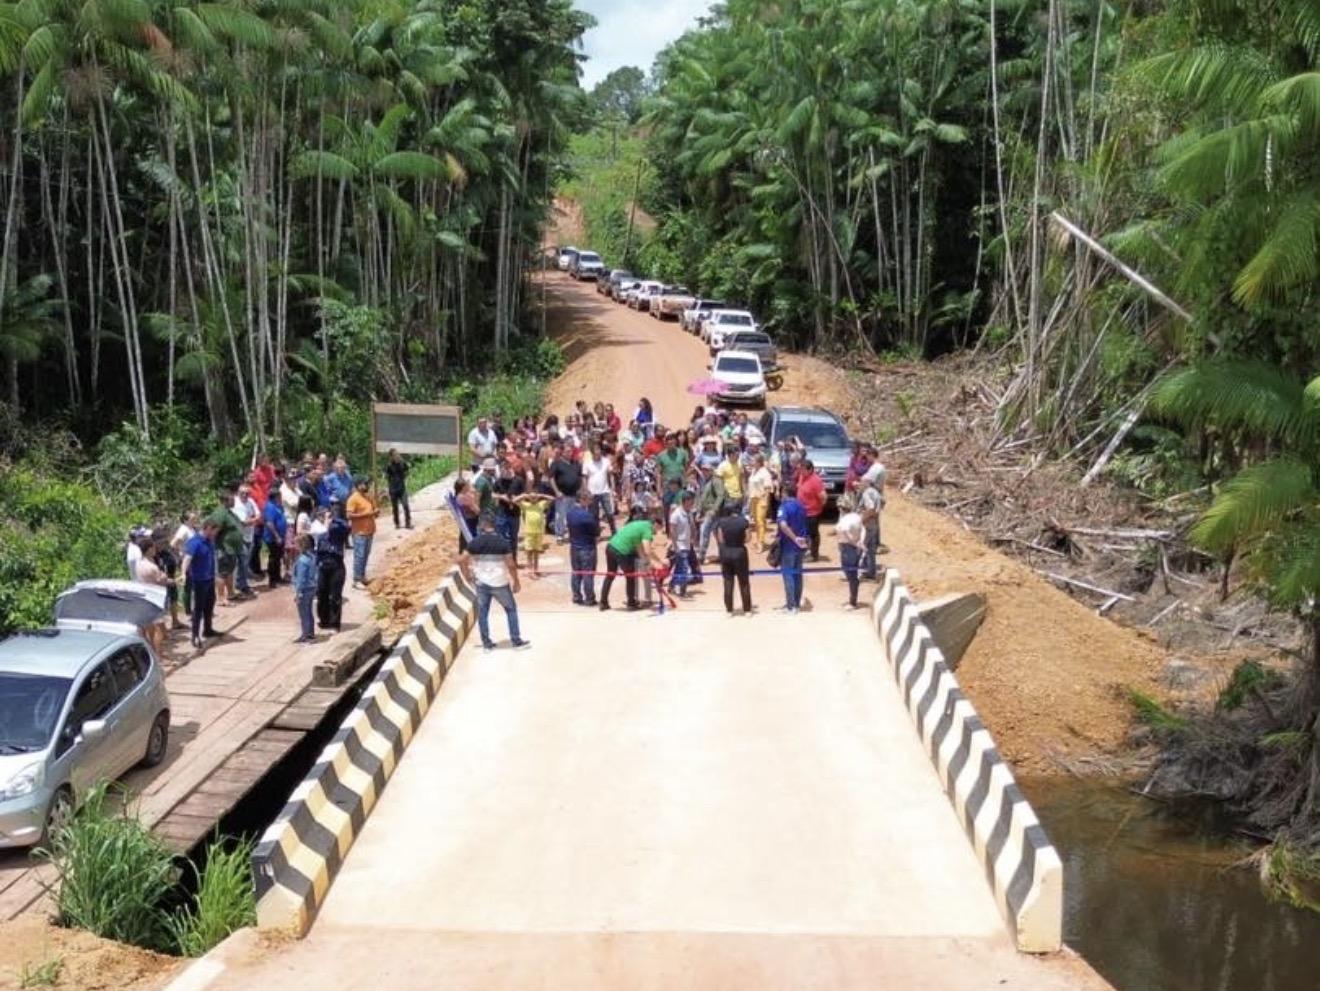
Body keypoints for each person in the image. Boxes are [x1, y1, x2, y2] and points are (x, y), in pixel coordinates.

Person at [459, 513, 530, 650]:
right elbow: (510, 564)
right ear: (494, 525)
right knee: (511, 610)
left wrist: (467, 576)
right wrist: (516, 581)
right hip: (500, 583)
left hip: (481, 583)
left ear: (482, 525)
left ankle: (487, 644)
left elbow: (462, 560)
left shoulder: (475, 542)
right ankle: (516, 641)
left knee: (483, 613)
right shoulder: (503, 542)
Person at [600, 509, 662, 611]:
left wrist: (647, 563)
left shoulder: (639, 524)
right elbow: (647, 550)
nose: (658, 532)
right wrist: (659, 561)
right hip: (622, 551)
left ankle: (603, 602)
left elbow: (639, 548)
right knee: (631, 576)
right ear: (655, 523)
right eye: (659, 528)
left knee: (610, 575)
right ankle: (631, 603)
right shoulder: (648, 529)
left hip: (611, 547)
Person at [181, 520, 220, 649]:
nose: (215, 534)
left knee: (210, 604)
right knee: (198, 609)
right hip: (199, 581)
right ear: (208, 528)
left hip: (209, 578)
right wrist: (183, 573)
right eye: (214, 531)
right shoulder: (195, 542)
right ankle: (195, 635)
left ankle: (207, 629)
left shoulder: (209, 541)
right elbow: (187, 559)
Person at [132, 540, 173, 653]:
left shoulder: (138, 563)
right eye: (154, 548)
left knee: (148, 628)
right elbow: (161, 580)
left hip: (144, 597)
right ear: (149, 549)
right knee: (158, 630)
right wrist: (168, 579)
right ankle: (159, 655)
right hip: (155, 598)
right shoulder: (152, 567)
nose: (155, 550)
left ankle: (150, 652)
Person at [315, 506, 351, 631]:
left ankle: (335, 623)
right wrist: (325, 524)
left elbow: (347, 528)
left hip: (336, 563)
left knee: (335, 596)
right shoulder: (317, 528)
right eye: (322, 515)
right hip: (322, 563)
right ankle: (324, 621)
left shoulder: (337, 529)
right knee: (321, 593)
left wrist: (333, 519)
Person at [714, 501, 753, 615]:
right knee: (744, 582)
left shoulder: (721, 522)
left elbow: (720, 539)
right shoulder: (744, 521)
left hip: (726, 552)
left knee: (728, 581)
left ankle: (729, 610)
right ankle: (747, 610)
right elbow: (748, 538)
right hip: (740, 552)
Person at [776, 484, 809, 612]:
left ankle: (791, 606)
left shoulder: (784, 507)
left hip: (789, 545)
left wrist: (793, 538)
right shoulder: (801, 505)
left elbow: (783, 525)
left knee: (788, 575)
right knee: (797, 574)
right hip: (801, 545)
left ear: (785, 492)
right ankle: (796, 604)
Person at [567, 489, 600, 606]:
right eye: (589, 500)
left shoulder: (569, 513)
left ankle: (576, 596)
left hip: (574, 547)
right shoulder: (587, 516)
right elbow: (596, 533)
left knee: (576, 572)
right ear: (582, 499)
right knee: (588, 573)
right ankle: (589, 598)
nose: (590, 502)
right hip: (587, 548)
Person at [346, 478, 378, 589]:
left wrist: (375, 512)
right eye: (363, 484)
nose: (366, 486)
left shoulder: (368, 497)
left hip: (369, 530)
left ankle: (362, 576)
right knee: (359, 556)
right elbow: (349, 515)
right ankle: (356, 579)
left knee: (365, 554)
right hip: (359, 532)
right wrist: (367, 514)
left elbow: (374, 510)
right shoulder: (353, 499)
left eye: (366, 483)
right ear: (358, 485)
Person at [548, 442, 583, 543]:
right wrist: (556, 491)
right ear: (562, 452)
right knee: (560, 516)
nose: (569, 453)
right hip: (562, 495)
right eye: (567, 451)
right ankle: (560, 535)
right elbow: (551, 478)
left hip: (574, 494)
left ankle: (572, 534)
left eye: (571, 451)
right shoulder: (556, 463)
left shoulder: (575, 463)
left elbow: (580, 476)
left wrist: (580, 489)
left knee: (572, 516)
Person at [516, 481, 552, 577]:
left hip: (539, 532)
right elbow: (515, 500)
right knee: (529, 552)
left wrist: (540, 495)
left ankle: (536, 569)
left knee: (536, 551)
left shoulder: (541, 504)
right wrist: (525, 496)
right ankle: (530, 569)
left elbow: (552, 499)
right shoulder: (526, 505)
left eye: (535, 497)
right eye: (532, 497)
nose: (533, 499)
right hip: (529, 532)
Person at [493, 460, 526, 563]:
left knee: (513, 538)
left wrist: (516, 499)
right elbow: (492, 494)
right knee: (501, 538)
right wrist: (501, 496)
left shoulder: (519, 480)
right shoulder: (498, 481)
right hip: (502, 513)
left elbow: (525, 494)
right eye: (502, 469)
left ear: (509, 468)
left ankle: (513, 560)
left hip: (515, 513)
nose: (504, 471)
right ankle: (504, 560)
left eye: (506, 469)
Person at [836, 500, 867, 609]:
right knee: (851, 573)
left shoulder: (844, 521)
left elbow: (845, 534)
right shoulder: (857, 517)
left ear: (841, 509)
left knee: (850, 573)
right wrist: (860, 542)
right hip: (855, 546)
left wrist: (855, 544)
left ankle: (852, 602)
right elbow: (863, 529)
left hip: (848, 547)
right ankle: (853, 598)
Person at [797, 459, 827, 562]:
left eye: (803, 469)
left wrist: (818, 507)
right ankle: (805, 552)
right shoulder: (802, 476)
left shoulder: (816, 480)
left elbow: (823, 497)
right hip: (802, 512)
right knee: (803, 533)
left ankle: (814, 555)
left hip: (812, 513)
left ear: (810, 470)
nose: (801, 471)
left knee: (813, 534)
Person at [668, 490, 696, 598]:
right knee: (684, 567)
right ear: (685, 501)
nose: (692, 504)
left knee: (679, 568)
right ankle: (683, 590)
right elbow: (672, 530)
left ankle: (671, 585)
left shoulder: (689, 513)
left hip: (687, 544)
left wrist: (694, 538)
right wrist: (675, 546)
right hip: (680, 545)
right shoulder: (676, 514)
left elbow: (692, 526)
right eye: (691, 502)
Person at [584, 440, 615, 535]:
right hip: (592, 492)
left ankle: (614, 531)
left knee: (609, 513)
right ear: (592, 452)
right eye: (595, 450)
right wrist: (586, 491)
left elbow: (611, 475)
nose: (598, 451)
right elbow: (584, 478)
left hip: (604, 491)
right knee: (594, 515)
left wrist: (612, 488)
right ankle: (596, 534)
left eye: (599, 449)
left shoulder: (606, 461)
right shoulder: (587, 463)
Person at [696, 463, 726, 562]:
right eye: (703, 470)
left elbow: (720, 496)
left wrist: (714, 509)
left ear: (711, 471)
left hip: (713, 512)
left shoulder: (716, 481)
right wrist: (699, 511)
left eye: (707, 470)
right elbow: (701, 498)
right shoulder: (704, 481)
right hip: (706, 511)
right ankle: (722, 555)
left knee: (704, 532)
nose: (705, 472)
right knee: (716, 534)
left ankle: (701, 556)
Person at [292, 534, 318, 644]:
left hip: (304, 589)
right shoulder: (312, 557)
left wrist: (297, 593)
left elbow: (301, 579)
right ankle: (310, 633)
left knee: (304, 613)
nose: (294, 546)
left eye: (296, 544)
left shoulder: (302, 560)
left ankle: (305, 635)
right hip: (312, 587)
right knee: (309, 611)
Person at [747, 454, 776, 552]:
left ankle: (761, 543)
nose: (751, 462)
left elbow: (768, 488)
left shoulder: (765, 473)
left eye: (753, 461)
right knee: (756, 521)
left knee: (760, 521)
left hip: (761, 499)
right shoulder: (753, 471)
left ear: (759, 462)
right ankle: (758, 539)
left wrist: (764, 501)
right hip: (753, 498)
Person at [858, 473, 883, 580]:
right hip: (874, 523)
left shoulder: (867, 493)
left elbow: (871, 508)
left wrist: (861, 520)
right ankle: (871, 572)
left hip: (867, 524)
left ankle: (852, 571)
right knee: (871, 549)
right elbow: (883, 502)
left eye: (862, 482)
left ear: (867, 482)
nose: (860, 484)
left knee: (859, 547)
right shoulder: (876, 492)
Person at [262, 494, 288, 587]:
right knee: (273, 558)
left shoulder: (277, 506)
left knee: (278, 557)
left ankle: (278, 577)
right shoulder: (270, 507)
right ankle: (272, 580)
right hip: (272, 537)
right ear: (276, 497)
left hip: (280, 536)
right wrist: (277, 536)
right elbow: (269, 523)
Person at [385, 449, 412, 528]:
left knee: (405, 505)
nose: (397, 456)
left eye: (398, 454)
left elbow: (407, 470)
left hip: (402, 488)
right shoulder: (389, 466)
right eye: (395, 455)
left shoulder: (402, 463)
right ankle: (397, 523)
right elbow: (386, 476)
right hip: (393, 489)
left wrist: (404, 477)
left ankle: (408, 523)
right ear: (391, 457)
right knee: (395, 507)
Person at [454, 478, 481, 552]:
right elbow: (477, 510)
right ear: (463, 487)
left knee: (464, 543)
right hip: (470, 522)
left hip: (467, 522)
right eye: (467, 485)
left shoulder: (459, 496)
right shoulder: (464, 497)